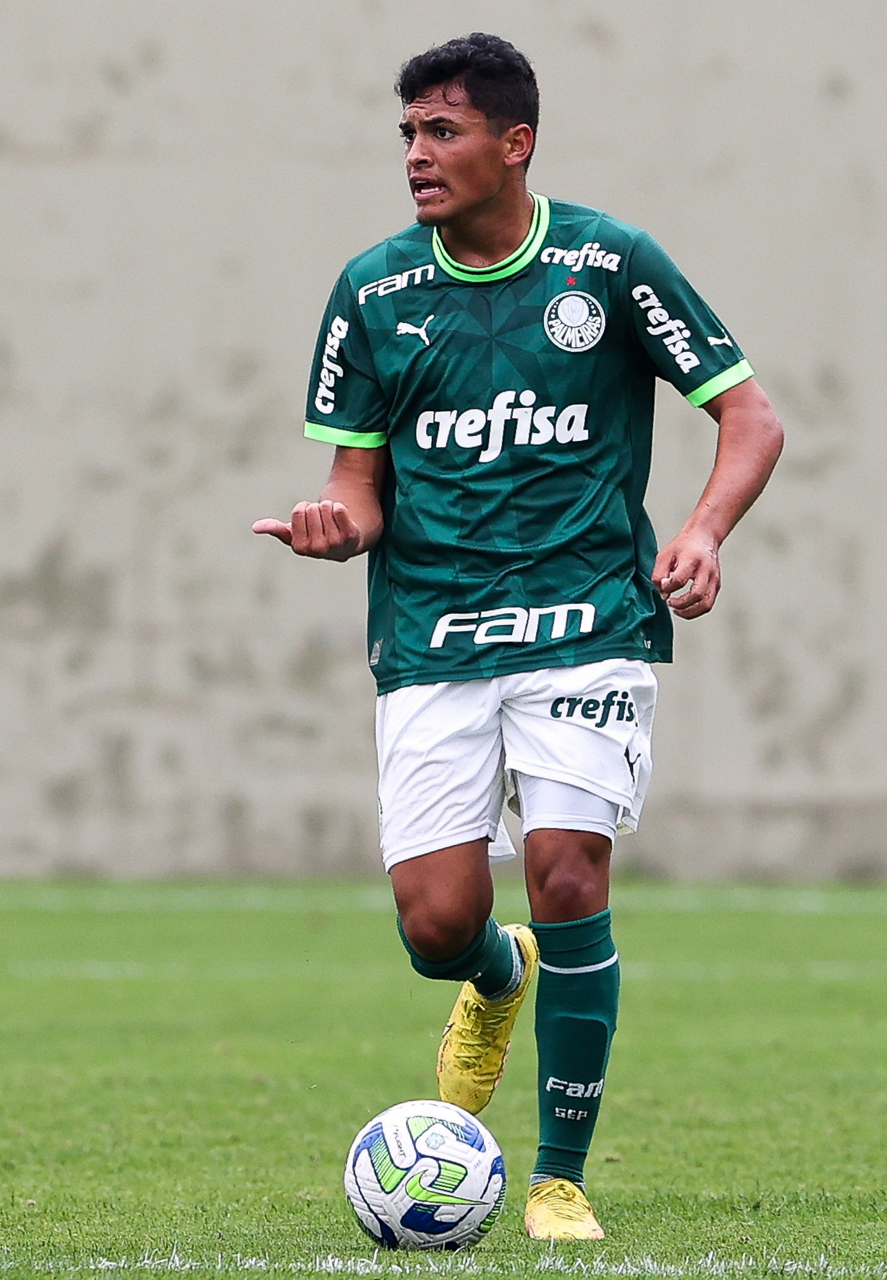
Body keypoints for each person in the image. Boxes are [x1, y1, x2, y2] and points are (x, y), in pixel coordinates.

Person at [254, 32, 783, 1240]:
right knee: (434, 924)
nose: (415, 154)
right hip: (430, 632)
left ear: (514, 143)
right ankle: (495, 976)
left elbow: (749, 417)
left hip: (587, 618)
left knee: (565, 872)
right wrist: (336, 527)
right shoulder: (373, 291)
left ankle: (556, 1176)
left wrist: (702, 533)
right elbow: (356, 486)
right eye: (406, 132)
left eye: (441, 131)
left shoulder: (609, 264)